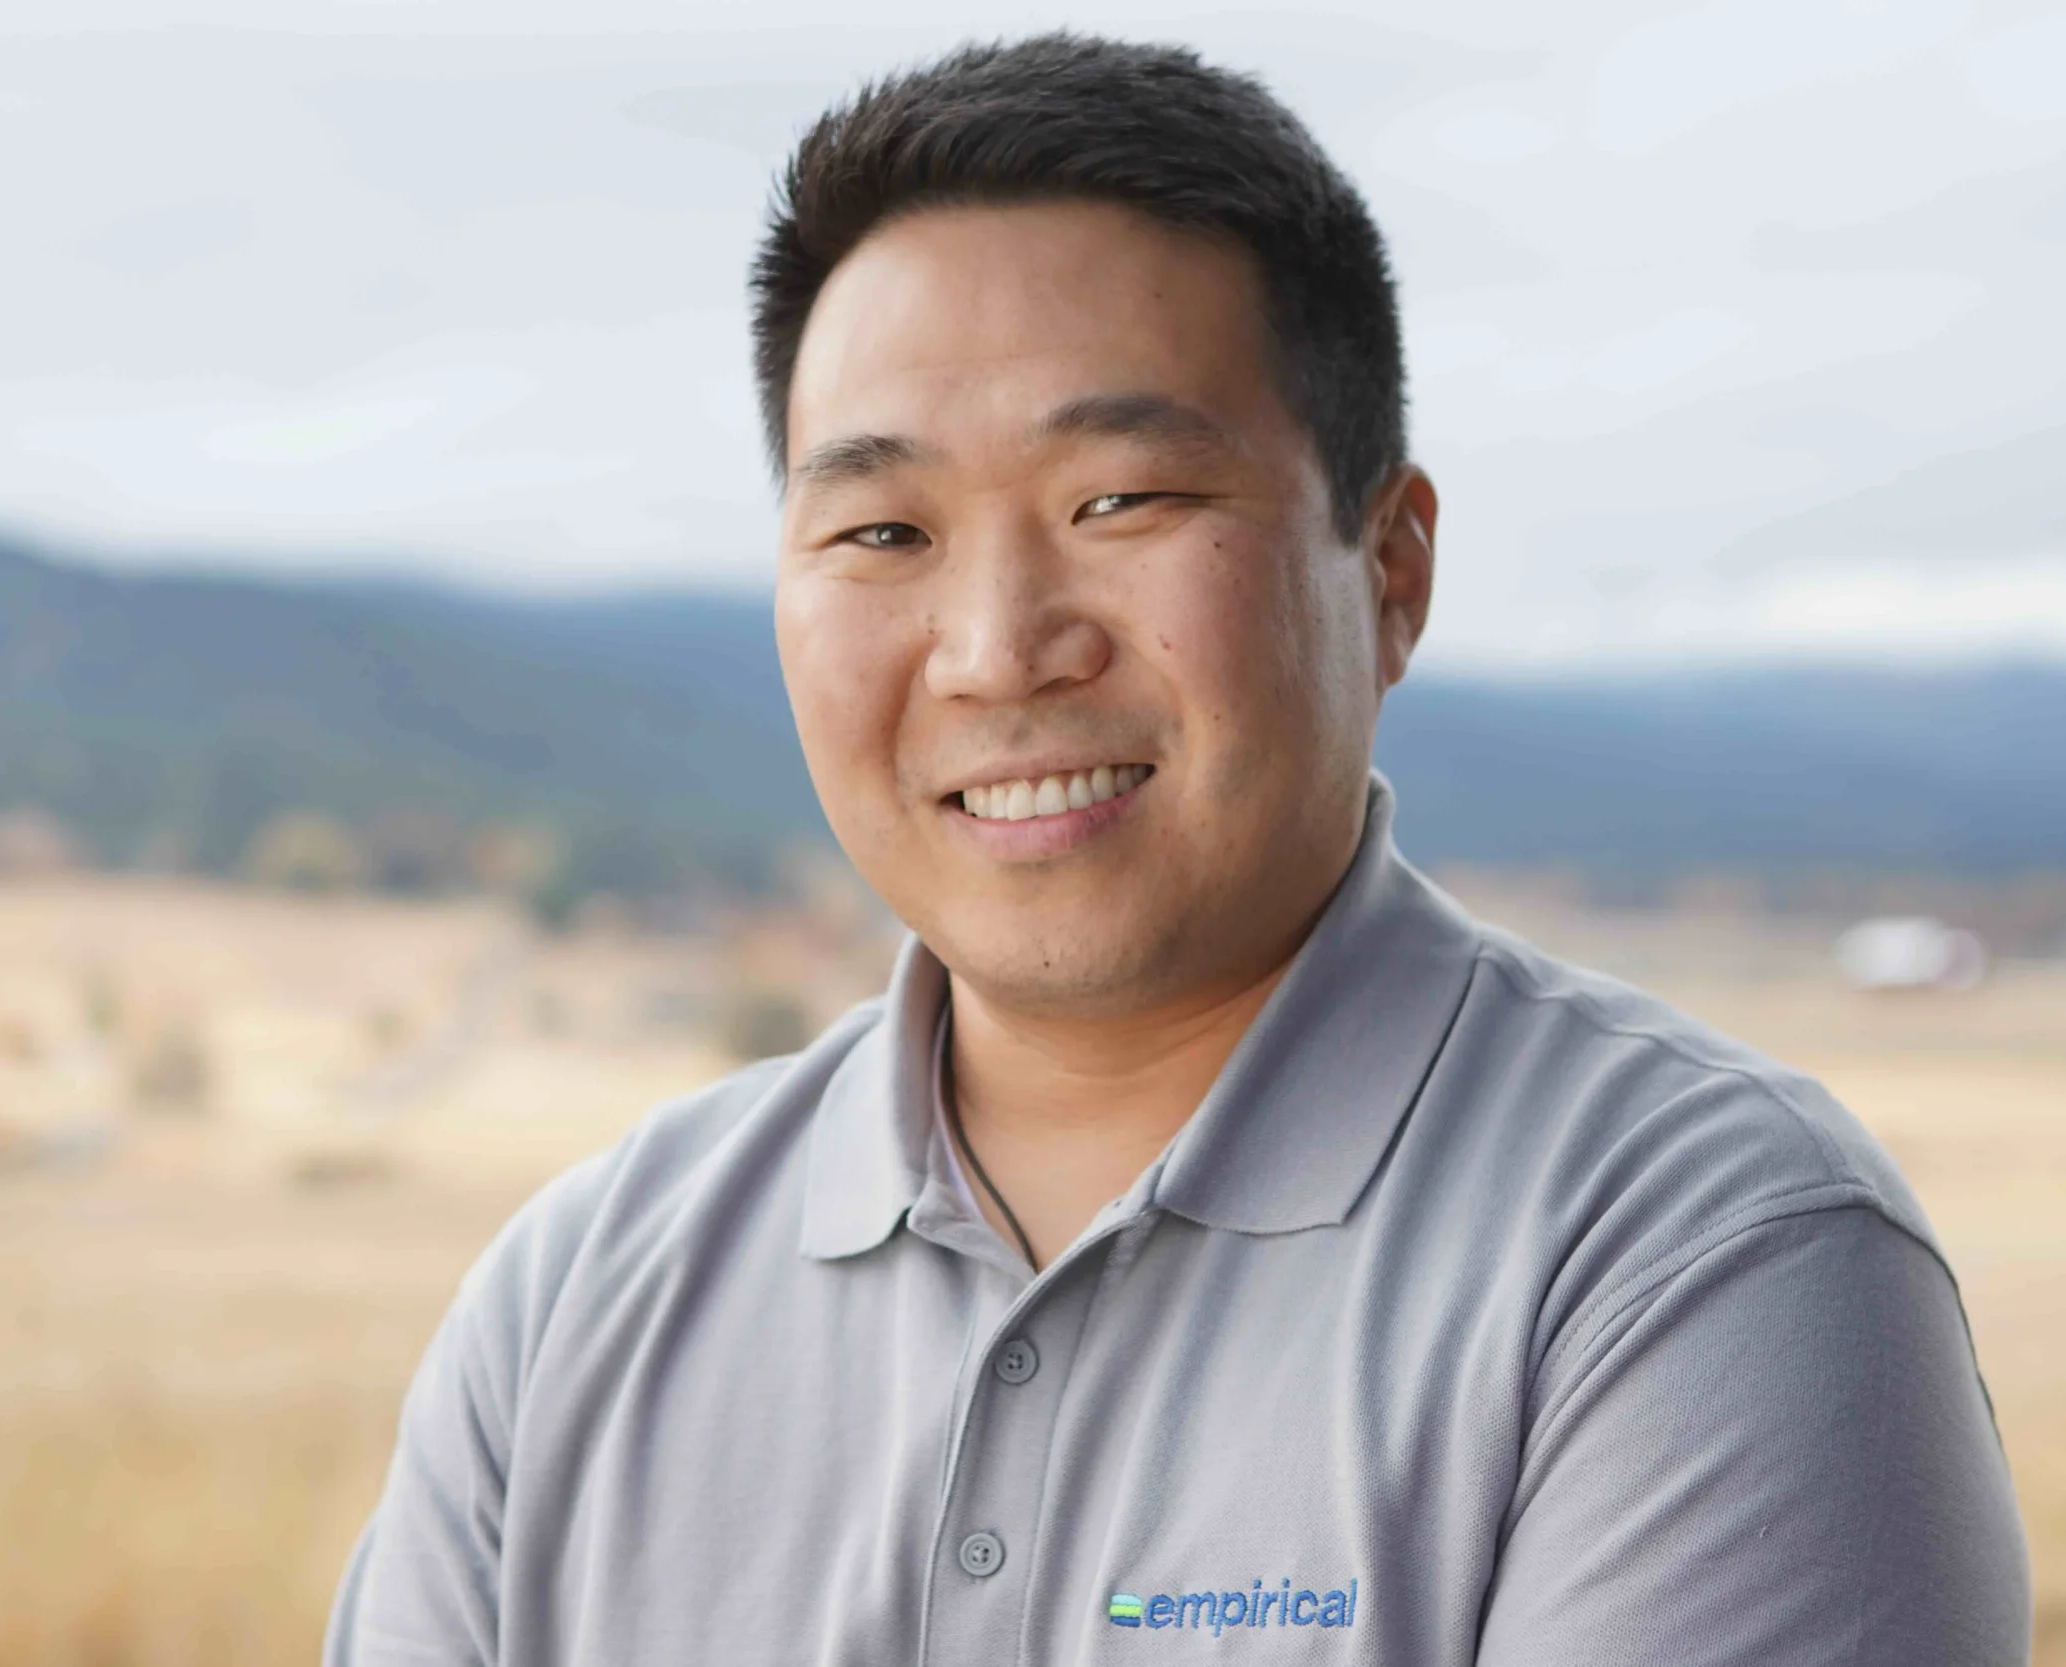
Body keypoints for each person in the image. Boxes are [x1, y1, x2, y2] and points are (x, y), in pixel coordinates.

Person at [325, 34, 2029, 1666]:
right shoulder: (571, 1306)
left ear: (1392, 567)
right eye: (883, 529)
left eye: (1120, 500)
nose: (998, 645)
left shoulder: (1701, 1256)